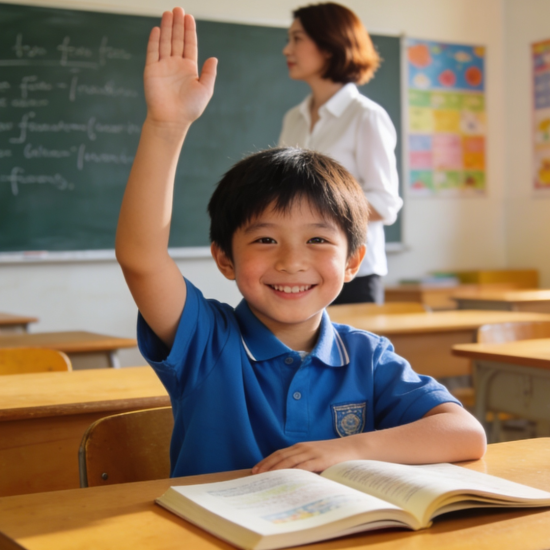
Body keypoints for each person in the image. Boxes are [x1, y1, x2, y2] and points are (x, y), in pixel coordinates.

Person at [115, 8, 486, 478]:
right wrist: (166, 127)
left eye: (317, 239)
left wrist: (345, 450)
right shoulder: (207, 342)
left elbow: (466, 434)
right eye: (266, 239)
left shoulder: (367, 356)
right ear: (225, 258)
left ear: (354, 261)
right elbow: (140, 257)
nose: (292, 262)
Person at [279, 2, 402, 304]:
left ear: (329, 46)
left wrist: (315, 204)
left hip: (352, 273)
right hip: (298, 270)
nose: (287, 50)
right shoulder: (293, 118)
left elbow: (385, 204)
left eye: (297, 39)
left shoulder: (366, 116)